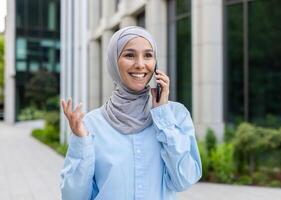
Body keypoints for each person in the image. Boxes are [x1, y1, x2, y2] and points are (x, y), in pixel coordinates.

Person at [60, 26, 202, 200]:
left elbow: (184, 180)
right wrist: (81, 142)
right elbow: (73, 197)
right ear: (113, 61)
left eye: (148, 55)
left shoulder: (176, 116)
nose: (140, 64)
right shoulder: (91, 124)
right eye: (129, 55)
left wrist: (163, 117)